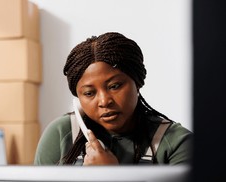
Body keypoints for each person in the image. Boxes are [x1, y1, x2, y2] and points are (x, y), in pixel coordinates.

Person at [34, 32, 192, 165]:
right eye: (89, 93)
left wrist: (111, 175)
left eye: (115, 86)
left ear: (137, 82)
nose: (104, 101)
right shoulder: (61, 133)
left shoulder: (177, 143)